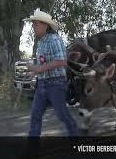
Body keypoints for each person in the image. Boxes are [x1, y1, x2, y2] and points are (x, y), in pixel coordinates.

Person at [24, 8, 79, 137]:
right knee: (35, 115)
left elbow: (62, 61)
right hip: (42, 84)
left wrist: (39, 69)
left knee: (62, 115)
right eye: (33, 24)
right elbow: (44, 63)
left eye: (35, 24)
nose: (33, 27)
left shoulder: (54, 39)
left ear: (45, 26)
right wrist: (34, 70)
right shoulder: (41, 42)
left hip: (55, 84)